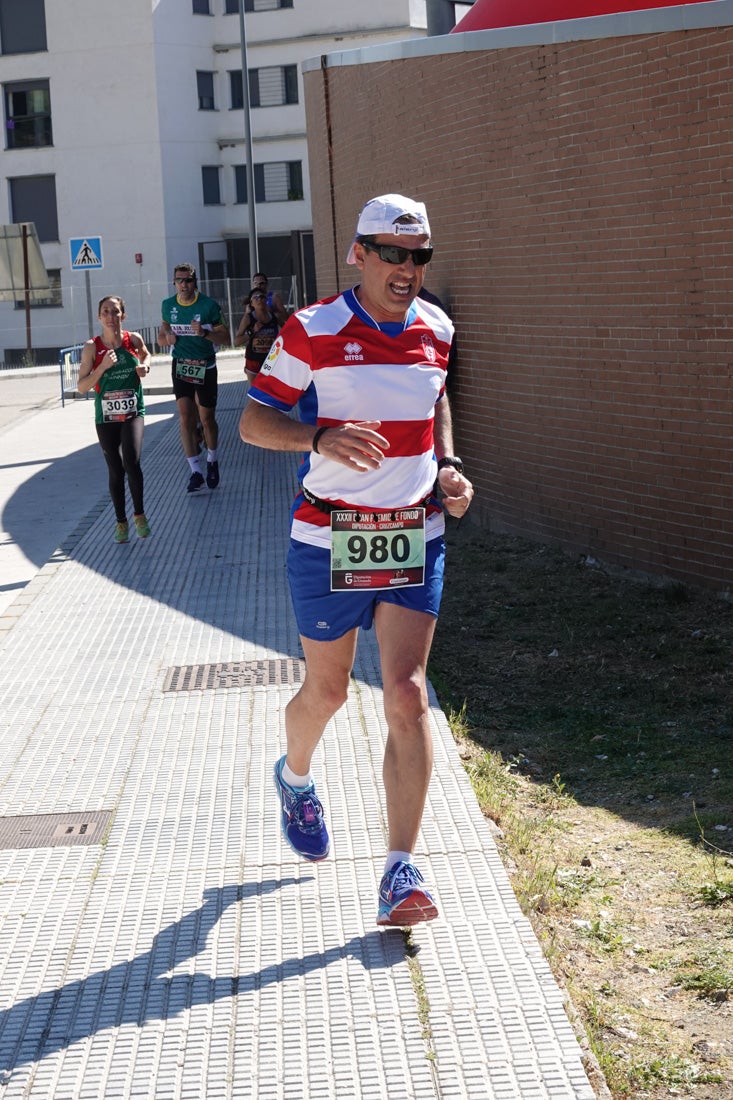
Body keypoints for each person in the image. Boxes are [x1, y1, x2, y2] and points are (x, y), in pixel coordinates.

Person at [239, 193, 474, 926]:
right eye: (393, 254)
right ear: (359, 255)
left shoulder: (436, 326)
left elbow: (434, 399)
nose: (408, 269)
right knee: (329, 693)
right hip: (329, 536)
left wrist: (447, 466)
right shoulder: (312, 329)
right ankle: (295, 776)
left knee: (405, 694)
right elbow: (252, 420)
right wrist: (317, 438)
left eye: (419, 255)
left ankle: (399, 870)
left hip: (412, 532)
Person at [77, 296, 152, 543]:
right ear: (99, 317)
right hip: (106, 416)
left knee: (132, 460)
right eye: (105, 311)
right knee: (115, 470)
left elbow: (146, 354)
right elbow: (81, 387)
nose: (111, 316)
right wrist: (101, 368)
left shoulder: (133, 339)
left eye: (115, 311)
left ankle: (139, 514)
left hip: (132, 411)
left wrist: (145, 367)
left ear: (123, 315)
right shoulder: (92, 347)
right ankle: (121, 522)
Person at [158, 263, 231, 493]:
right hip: (181, 365)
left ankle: (212, 460)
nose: (184, 285)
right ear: (174, 283)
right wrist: (166, 339)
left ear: (195, 282)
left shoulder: (208, 305)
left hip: (205, 365)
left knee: (207, 418)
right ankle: (195, 471)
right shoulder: (168, 305)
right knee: (185, 418)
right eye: (179, 280)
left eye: (188, 280)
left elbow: (226, 337)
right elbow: (162, 335)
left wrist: (205, 333)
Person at [234, 289, 281, 384]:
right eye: (255, 298)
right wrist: (252, 332)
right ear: (251, 303)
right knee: (255, 393)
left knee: (271, 392)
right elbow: (236, 342)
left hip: (271, 359)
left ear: (266, 300)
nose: (259, 299)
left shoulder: (274, 317)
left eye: (262, 297)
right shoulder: (248, 318)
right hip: (253, 360)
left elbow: (287, 330)